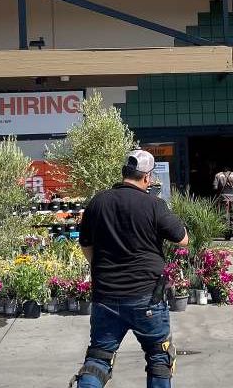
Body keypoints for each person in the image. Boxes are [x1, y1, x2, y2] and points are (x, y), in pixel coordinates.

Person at [73, 149, 189, 388]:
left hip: (105, 297)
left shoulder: (98, 202)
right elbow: (182, 239)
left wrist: (100, 268)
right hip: (146, 298)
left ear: (125, 172)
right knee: (159, 356)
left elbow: (85, 244)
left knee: (99, 357)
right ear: (147, 177)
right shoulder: (154, 204)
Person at [213, 166, 233, 241]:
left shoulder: (218, 175)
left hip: (223, 198)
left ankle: (227, 234)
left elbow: (215, 188)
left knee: (224, 215)